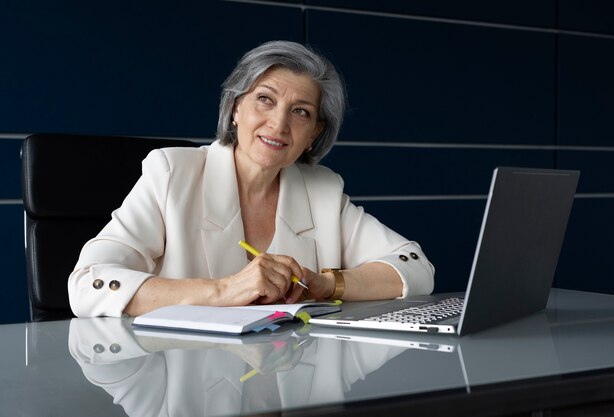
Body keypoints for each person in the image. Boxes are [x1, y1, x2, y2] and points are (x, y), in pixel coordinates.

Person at [68, 40, 434, 318]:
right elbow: (89, 283)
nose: (279, 124)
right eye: (264, 99)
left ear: (314, 133)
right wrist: (223, 290)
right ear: (235, 109)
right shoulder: (171, 173)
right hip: (179, 374)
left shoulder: (321, 189)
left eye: (300, 112)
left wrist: (325, 284)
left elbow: (415, 267)